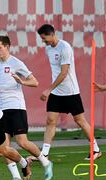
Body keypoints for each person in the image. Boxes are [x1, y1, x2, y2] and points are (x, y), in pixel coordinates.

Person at [0, 36, 53, 180]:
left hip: (16, 107)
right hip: (0, 110)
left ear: (7, 47)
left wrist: (22, 81)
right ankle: (18, 175)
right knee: (2, 148)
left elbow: (35, 82)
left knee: (22, 142)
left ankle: (46, 162)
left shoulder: (16, 63)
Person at [37, 24, 102, 160]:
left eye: (45, 38)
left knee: (80, 120)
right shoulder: (48, 49)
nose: (44, 41)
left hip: (70, 92)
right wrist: (52, 90)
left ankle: (96, 149)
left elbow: (64, 73)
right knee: (50, 121)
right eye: (42, 39)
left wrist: (48, 89)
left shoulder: (65, 48)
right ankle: (45, 154)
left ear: (52, 34)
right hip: (56, 93)